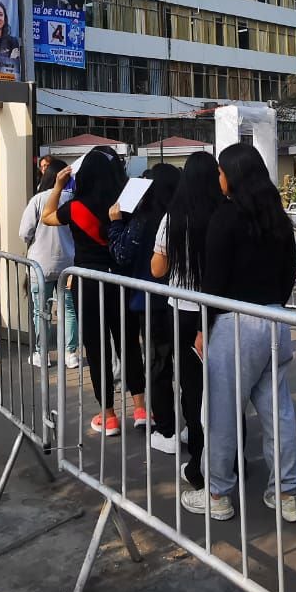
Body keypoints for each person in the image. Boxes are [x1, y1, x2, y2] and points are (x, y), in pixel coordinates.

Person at [180, 143, 296, 524]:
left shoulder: (226, 218)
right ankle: (287, 493)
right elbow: (291, 270)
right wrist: (273, 305)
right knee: (278, 410)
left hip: (235, 323)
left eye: (222, 171)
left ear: (232, 175)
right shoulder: (276, 217)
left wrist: (204, 327)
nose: (219, 178)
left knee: (220, 412)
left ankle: (217, 492)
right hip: (275, 320)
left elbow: (214, 283)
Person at [42, 147, 146, 436]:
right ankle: (140, 408)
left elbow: (47, 217)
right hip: (122, 281)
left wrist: (58, 186)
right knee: (128, 343)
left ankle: (109, 415)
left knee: (97, 347)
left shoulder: (74, 208)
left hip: (88, 283)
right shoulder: (125, 203)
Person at [151, 150, 222, 477]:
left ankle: (199, 459)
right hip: (220, 309)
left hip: (181, 309)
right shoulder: (224, 212)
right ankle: (229, 457)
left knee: (191, 387)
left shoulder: (173, 216)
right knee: (223, 385)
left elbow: (157, 268)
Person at [117, 163, 181, 447]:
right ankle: (193, 425)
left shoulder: (142, 218)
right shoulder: (183, 216)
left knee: (157, 366)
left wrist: (116, 221)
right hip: (183, 302)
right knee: (188, 367)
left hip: (149, 301)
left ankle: (166, 428)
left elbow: (122, 253)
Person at [19, 157, 79, 370]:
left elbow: (24, 232)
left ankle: (41, 353)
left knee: (40, 311)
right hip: (69, 264)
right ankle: (70, 353)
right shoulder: (74, 200)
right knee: (69, 310)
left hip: (40, 264)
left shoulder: (38, 200)